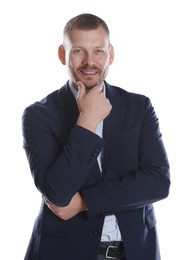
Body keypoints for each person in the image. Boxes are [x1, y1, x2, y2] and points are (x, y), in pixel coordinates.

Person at [22, 13, 170, 260]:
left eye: (98, 51)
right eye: (78, 51)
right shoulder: (39, 115)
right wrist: (87, 121)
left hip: (134, 251)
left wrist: (85, 202)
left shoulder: (139, 107)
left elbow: (158, 182)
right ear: (62, 54)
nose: (89, 61)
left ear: (110, 54)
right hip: (64, 252)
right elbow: (57, 193)